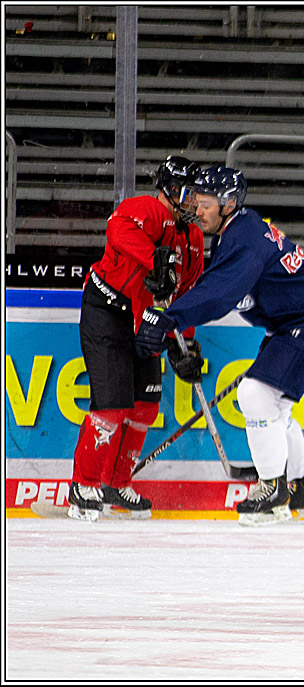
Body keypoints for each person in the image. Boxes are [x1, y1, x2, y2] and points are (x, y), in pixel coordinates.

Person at [135, 166, 304, 526]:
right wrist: (179, 323)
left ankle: (271, 491)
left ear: (229, 203)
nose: (197, 209)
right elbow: (220, 286)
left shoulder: (244, 237)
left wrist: (170, 317)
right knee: (276, 409)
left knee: (254, 395)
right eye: (195, 201)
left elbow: (220, 292)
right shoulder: (237, 231)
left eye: (204, 203)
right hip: (301, 321)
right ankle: (300, 488)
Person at [69, 155, 206, 521]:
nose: (196, 202)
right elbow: (117, 231)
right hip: (109, 312)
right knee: (112, 406)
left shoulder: (193, 238)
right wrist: (154, 261)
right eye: (191, 193)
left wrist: (184, 342)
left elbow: (187, 294)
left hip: (148, 319)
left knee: (144, 407)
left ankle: (117, 483)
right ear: (172, 190)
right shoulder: (146, 208)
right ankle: (83, 484)